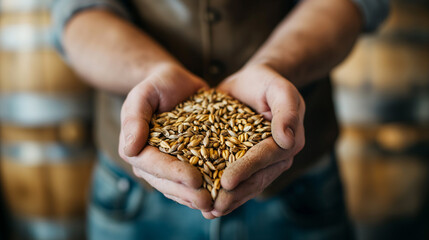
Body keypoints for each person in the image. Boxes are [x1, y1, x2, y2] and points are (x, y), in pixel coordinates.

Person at [53, 0, 389, 239]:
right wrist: (149, 71)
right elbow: (78, 11)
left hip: (299, 186)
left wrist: (276, 66)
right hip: (131, 193)